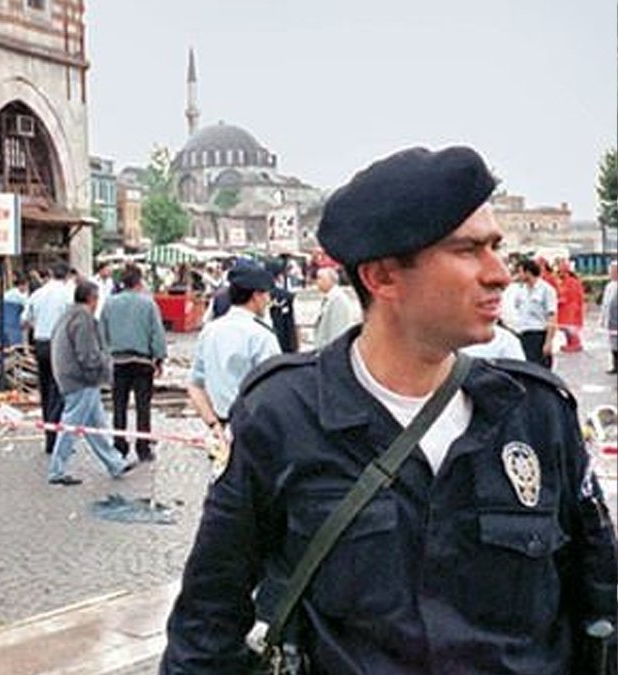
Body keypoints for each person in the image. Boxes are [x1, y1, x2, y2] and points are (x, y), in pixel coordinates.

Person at [161, 145, 618, 673]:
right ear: (382, 278)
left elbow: (601, 606)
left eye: (495, 246)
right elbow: (206, 625)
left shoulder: (536, 415)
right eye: (468, 250)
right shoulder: (283, 416)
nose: (499, 273)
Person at [47, 280, 136, 485]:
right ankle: (56, 470)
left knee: (96, 425)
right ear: (92, 299)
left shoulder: (67, 315)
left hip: (69, 376)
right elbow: (87, 354)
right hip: (81, 380)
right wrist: (102, 369)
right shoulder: (83, 319)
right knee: (71, 425)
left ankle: (115, 463)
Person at [185, 265, 281, 430]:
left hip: (220, 428)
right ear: (256, 296)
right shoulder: (262, 336)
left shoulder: (210, 331)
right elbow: (274, 389)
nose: (268, 300)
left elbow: (194, 386)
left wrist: (213, 424)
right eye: (266, 295)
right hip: (254, 428)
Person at [99, 265, 167, 462]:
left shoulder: (109, 304)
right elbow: (157, 333)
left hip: (118, 361)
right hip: (142, 361)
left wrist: (106, 355)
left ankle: (119, 445)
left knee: (119, 406)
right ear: (139, 281)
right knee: (143, 407)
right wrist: (159, 358)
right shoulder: (148, 304)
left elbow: (102, 333)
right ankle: (143, 447)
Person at [23, 261, 75, 454]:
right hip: (60, 344)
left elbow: (24, 320)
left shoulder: (37, 294)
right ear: (67, 276)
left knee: (45, 390)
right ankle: (56, 438)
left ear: (51, 273)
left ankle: (49, 436)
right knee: (60, 391)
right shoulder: (69, 294)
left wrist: (39, 323)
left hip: (41, 344)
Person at [511, 257, 558, 368]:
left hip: (538, 335)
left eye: (520, 272)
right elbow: (517, 309)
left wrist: (548, 342)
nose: (518, 275)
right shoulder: (521, 290)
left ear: (528, 272)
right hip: (523, 335)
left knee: (540, 369)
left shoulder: (546, 290)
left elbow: (552, 317)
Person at [312, 267, 359, 349]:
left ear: (330, 280)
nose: (317, 282)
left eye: (320, 278)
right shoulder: (331, 298)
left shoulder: (338, 300)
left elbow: (337, 331)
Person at [266, 260, 299, 353]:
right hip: (285, 344)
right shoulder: (287, 297)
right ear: (279, 276)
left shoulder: (258, 295)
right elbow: (294, 324)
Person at [556, 258, 585, 353]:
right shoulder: (563, 281)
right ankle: (569, 343)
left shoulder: (572, 281)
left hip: (571, 309)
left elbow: (573, 296)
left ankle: (575, 344)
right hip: (564, 308)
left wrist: (561, 300)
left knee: (570, 327)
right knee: (565, 327)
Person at [0, 273, 28, 348]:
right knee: (16, 343)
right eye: (25, 286)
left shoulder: (10, 292)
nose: (26, 288)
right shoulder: (19, 295)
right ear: (21, 285)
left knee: (6, 342)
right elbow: (26, 308)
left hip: (6, 321)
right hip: (13, 322)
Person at [603, 262, 618, 374]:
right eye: (611, 271)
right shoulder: (610, 286)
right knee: (613, 345)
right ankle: (615, 365)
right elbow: (605, 304)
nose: (612, 273)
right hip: (611, 321)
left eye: (614, 271)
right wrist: (602, 319)